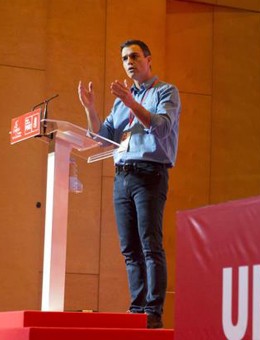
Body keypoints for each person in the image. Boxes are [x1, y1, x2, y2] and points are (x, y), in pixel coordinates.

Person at [78, 39, 181, 329]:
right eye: (124, 59)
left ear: (149, 59)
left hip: (150, 172)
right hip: (122, 175)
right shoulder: (122, 100)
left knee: (150, 245)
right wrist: (90, 108)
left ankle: (153, 312)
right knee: (130, 249)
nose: (129, 62)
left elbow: (161, 127)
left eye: (134, 56)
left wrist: (131, 103)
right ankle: (137, 310)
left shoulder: (165, 91)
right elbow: (103, 137)